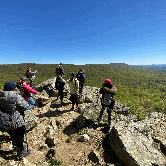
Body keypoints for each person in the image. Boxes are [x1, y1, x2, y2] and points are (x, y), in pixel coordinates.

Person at [0, 81, 30, 160]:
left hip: (5, 122)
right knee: (20, 137)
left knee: (13, 136)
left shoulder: (1, 96)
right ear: (13, 88)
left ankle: (15, 147)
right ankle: (20, 153)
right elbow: (26, 106)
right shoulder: (15, 95)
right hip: (17, 121)